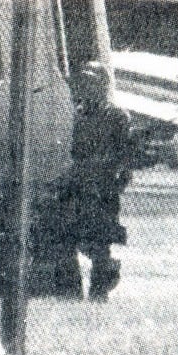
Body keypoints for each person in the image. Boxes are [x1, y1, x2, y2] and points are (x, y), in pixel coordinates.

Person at [64, 61, 131, 300]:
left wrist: (115, 177)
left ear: (103, 85)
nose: (86, 86)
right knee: (71, 237)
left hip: (102, 187)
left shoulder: (116, 116)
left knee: (101, 241)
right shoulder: (76, 114)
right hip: (78, 185)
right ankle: (73, 291)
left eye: (92, 81)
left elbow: (125, 153)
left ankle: (99, 289)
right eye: (84, 82)